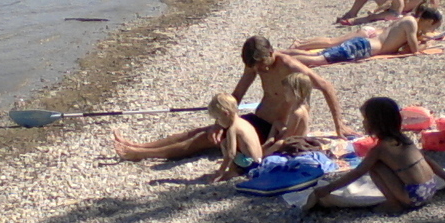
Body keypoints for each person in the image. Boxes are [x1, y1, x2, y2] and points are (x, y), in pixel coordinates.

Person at [112, 35, 352, 162]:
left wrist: (338, 125)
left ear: (270, 53)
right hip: (256, 120)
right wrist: (222, 121)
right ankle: (141, 145)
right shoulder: (255, 65)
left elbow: (326, 86)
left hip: (272, 129)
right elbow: (237, 95)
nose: (259, 70)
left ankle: (140, 154)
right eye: (254, 66)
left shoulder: (288, 65)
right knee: (203, 130)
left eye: (261, 64)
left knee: (203, 141)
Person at [308, 97, 445, 212]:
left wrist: (328, 189)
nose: (363, 123)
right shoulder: (404, 139)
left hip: (414, 197)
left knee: (374, 166)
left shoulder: (380, 149)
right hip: (431, 187)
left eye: (365, 119)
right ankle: (404, 196)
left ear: (374, 123)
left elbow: (357, 172)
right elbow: (427, 160)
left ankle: (394, 203)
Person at [287, 8, 443, 66]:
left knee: (319, 55)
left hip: (364, 45)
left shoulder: (408, 20)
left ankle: (282, 54)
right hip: (364, 47)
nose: (431, 31)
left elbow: (403, 48)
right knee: (319, 59)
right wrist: (426, 45)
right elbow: (413, 50)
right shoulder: (411, 23)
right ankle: (281, 57)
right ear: (429, 21)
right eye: (433, 27)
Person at [207, 93, 265, 183]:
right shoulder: (244, 122)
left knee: (224, 144)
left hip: (249, 164)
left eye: (218, 118)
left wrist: (221, 171)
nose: (218, 122)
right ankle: (237, 169)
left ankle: (232, 172)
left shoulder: (232, 129)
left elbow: (231, 154)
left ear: (226, 113)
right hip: (259, 160)